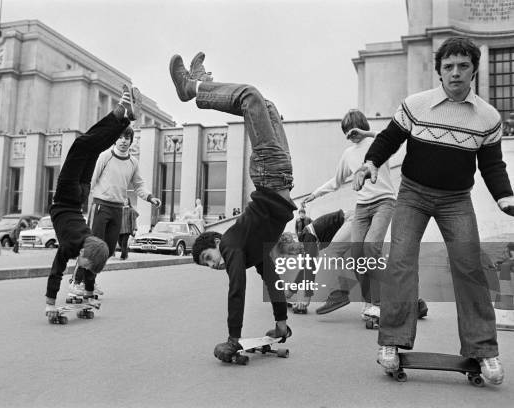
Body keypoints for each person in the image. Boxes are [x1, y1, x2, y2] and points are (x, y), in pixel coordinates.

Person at [353, 37, 514, 385]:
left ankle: (483, 350)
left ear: (474, 70)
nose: (456, 73)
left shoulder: (487, 117)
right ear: (439, 71)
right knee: (401, 263)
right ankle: (392, 343)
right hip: (413, 194)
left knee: (470, 266)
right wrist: (370, 164)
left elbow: (492, 165)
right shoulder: (417, 105)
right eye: (448, 66)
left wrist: (505, 197)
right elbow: (388, 139)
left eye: (463, 66)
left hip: (456, 199)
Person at [170, 51, 297, 362]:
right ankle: (203, 83)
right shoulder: (254, 250)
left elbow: (237, 288)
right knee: (266, 106)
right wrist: (281, 324)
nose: (214, 264)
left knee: (250, 96)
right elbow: (272, 278)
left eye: (208, 258)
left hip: (270, 175)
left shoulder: (230, 242)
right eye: (208, 265)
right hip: (282, 175)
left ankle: (194, 89)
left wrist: (233, 338)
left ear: (215, 242)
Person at [45, 85, 142, 318]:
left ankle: (122, 115)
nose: (83, 265)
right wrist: (49, 305)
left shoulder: (91, 241)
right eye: (85, 264)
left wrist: (89, 295)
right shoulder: (72, 247)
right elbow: (55, 272)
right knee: (84, 146)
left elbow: (93, 258)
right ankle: (122, 116)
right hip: (67, 197)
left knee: (89, 146)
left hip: (80, 195)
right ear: (85, 253)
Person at [303, 109, 398, 321]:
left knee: (370, 248)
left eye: (353, 130)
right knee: (356, 256)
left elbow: (390, 136)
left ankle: (380, 303)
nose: (351, 135)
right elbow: (336, 181)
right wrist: (315, 193)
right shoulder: (348, 154)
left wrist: (367, 134)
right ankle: (368, 301)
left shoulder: (378, 143)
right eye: (347, 132)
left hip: (384, 202)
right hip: (362, 208)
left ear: (362, 126)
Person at [69, 108, 161, 297]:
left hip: (117, 209)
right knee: (92, 248)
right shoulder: (105, 156)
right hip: (100, 206)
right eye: (120, 137)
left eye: (127, 138)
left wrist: (150, 198)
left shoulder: (133, 163)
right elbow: (91, 180)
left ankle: (89, 284)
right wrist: (79, 201)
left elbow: (138, 185)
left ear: (131, 140)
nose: (123, 141)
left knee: (108, 250)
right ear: (115, 139)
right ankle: (77, 281)